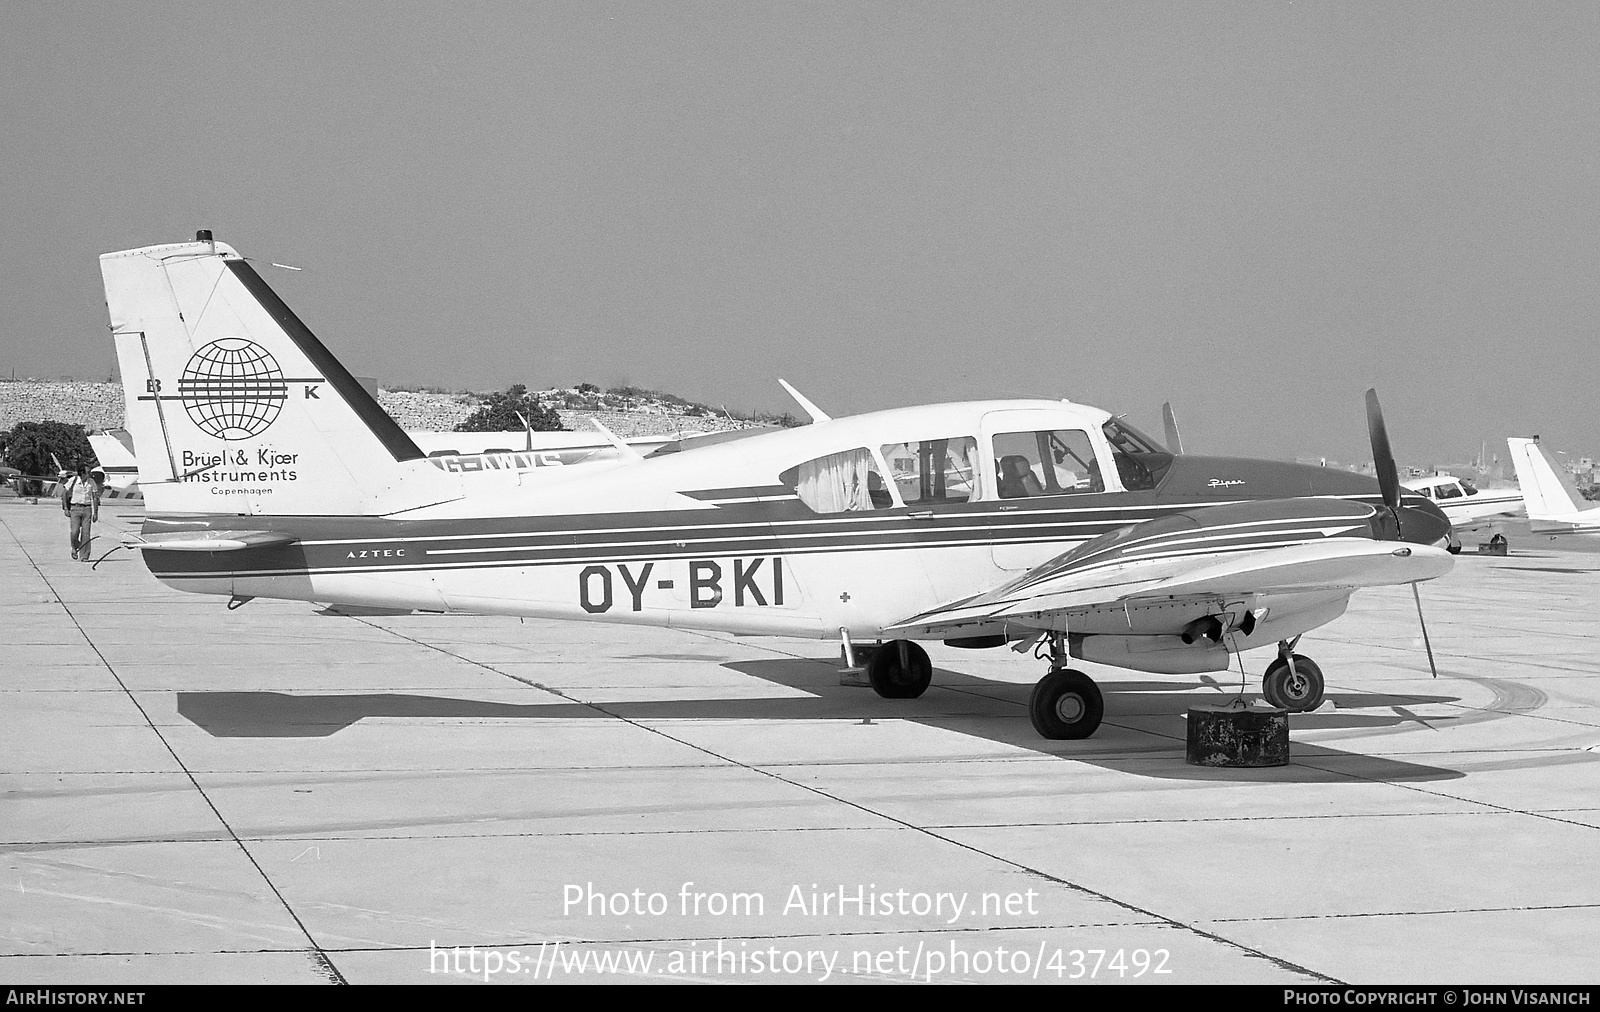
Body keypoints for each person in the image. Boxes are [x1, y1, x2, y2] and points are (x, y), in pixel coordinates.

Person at [60, 464, 101, 562]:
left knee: (86, 533)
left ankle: (84, 556)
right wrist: (66, 508)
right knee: (74, 532)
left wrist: (95, 512)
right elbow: (65, 493)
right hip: (75, 508)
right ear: (82, 473)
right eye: (88, 472)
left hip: (87, 509)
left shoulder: (91, 482)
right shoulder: (73, 480)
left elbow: (95, 497)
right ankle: (75, 547)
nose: (90, 474)